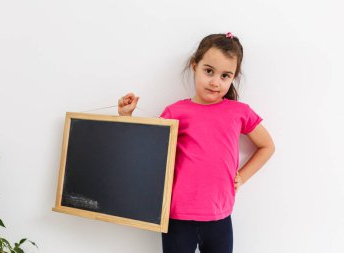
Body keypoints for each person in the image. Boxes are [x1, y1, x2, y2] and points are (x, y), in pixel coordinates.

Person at [117, 32, 275, 253]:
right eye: (208, 71)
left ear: (233, 78)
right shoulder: (176, 111)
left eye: (225, 76)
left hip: (220, 216)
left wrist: (242, 176)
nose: (215, 82)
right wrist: (126, 117)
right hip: (177, 217)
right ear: (195, 66)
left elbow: (267, 146)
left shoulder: (239, 112)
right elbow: (148, 148)